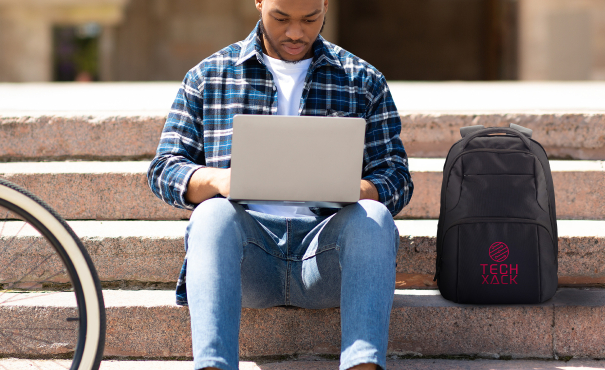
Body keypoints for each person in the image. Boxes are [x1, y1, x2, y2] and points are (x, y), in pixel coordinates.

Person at [148, 0, 413, 369]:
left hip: (326, 259)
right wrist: (217, 180)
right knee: (211, 214)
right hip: (247, 261)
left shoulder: (362, 79)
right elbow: (163, 169)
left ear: (325, 6)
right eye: (281, 18)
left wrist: (359, 190)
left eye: (310, 19)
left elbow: (397, 176)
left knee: (373, 216)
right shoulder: (209, 75)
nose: (295, 33)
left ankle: (362, 365)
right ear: (259, 2)